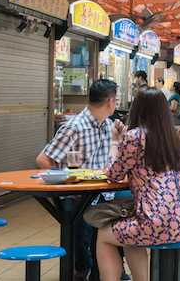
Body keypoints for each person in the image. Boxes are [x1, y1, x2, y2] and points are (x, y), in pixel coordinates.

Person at [96, 86, 180, 281]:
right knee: (128, 235)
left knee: (104, 236)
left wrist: (115, 141)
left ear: (137, 109)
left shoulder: (134, 136)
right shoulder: (172, 139)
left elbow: (113, 174)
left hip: (159, 222)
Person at [36, 79, 124, 281]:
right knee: (78, 222)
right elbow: (43, 159)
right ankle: (83, 267)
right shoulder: (74, 127)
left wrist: (119, 139)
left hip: (104, 192)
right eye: (116, 100)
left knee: (128, 206)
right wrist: (63, 180)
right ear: (110, 102)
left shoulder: (108, 126)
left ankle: (113, 267)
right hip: (77, 194)